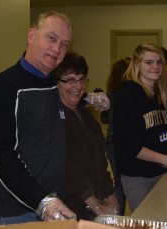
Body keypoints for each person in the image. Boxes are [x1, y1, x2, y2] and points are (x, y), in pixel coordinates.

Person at [0, 11, 109, 227]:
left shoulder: (50, 83)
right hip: (17, 212)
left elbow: (52, 102)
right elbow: (1, 156)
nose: (58, 49)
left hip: (55, 202)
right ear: (31, 36)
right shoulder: (4, 87)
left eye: (65, 44)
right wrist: (43, 202)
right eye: (52, 38)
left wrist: (88, 98)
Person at [53, 52, 120, 220]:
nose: (78, 86)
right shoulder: (55, 118)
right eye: (70, 80)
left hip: (93, 201)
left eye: (82, 79)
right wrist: (94, 203)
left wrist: (110, 193)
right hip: (71, 207)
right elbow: (68, 167)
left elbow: (100, 160)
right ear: (56, 82)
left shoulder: (87, 115)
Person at [113, 43, 167, 212]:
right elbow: (131, 147)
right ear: (137, 65)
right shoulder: (127, 97)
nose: (155, 66)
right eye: (149, 62)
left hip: (160, 172)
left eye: (159, 62)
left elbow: (162, 134)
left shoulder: (158, 95)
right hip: (138, 177)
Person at [100, 57, 131, 215]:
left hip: (112, 140)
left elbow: (104, 119)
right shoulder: (132, 93)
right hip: (127, 141)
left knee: (118, 183)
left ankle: (118, 218)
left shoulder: (110, 94)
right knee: (130, 180)